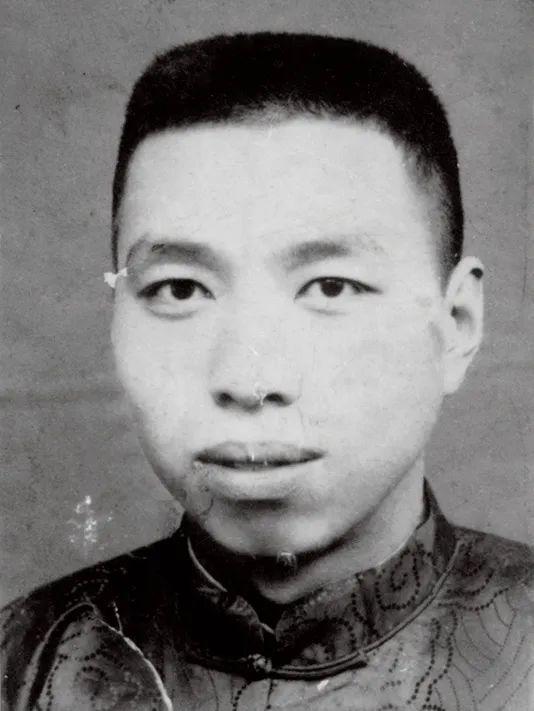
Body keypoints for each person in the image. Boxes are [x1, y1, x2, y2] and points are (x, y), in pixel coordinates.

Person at [1, 32, 532, 711]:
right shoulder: (22, 665)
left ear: (457, 325)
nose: (250, 380)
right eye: (180, 289)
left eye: (331, 287)